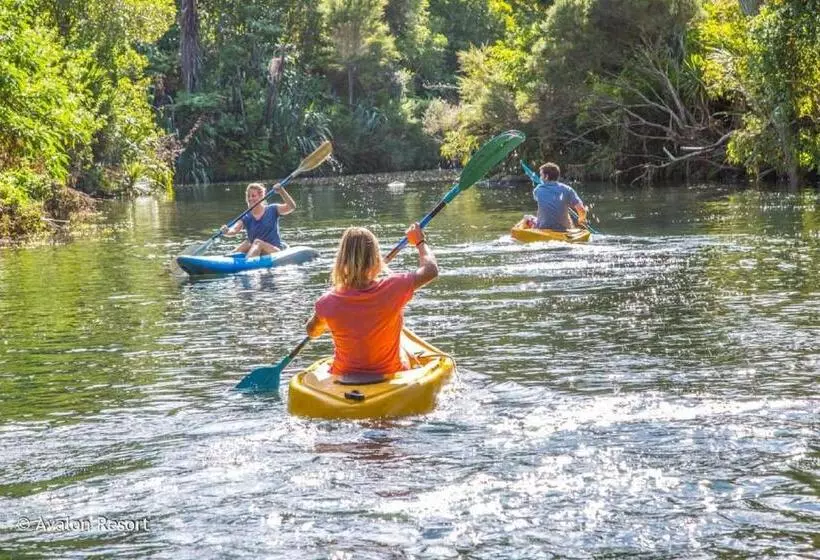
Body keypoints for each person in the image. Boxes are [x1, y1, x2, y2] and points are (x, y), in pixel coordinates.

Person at [305, 223, 438, 383]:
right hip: (390, 374)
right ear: (375, 258)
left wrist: (329, 319)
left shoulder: (326, 302)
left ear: (341, 260)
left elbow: (312, 332)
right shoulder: (394, 286)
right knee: (405, 348)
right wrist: (419, 242)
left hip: (343, 378)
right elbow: (431, 270)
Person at [220, 182, 296, 257]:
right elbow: (234, 230)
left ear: (261, 197)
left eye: (253, 196)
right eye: (248, 196)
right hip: (255, 249)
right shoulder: (246, 216)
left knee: (257, 242)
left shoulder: (273, 209)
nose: (250, 198)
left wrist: (282, 191)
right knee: (247, 243)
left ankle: (247, 264)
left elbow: (291, 207)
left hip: (274, 251)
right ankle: (228, 257)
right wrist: (226, 231)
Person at [529, 162, 587, 231]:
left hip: (543, 228)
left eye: (541, 175)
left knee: (527, 217)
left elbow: (544, 203)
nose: (540, 178)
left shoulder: (538, 190)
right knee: (568, 215)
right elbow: (581, 209)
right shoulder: (568, 189)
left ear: (546, 176)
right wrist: (581, 220)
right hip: (564, 230)